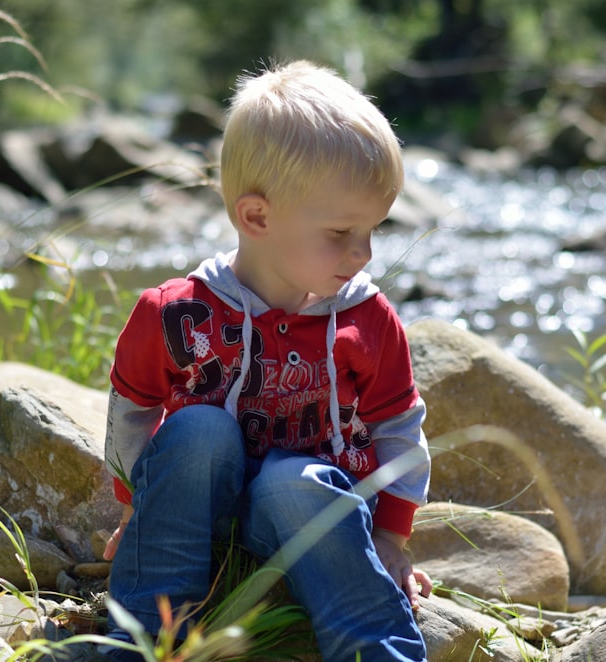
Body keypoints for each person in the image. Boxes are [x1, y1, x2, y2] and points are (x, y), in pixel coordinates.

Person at [100, 59, 432, 662]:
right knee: (198, 428)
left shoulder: (367, 319)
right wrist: (136, 507)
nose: (364, 252)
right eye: (341, 232)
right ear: (256, 217)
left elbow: (398, 428)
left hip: (311, 514)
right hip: (202, 507)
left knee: (293, 480)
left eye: (374, 229)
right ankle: (143, 636)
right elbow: (133, 410)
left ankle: (375, 648)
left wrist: (389, 537)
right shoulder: (177, 314)